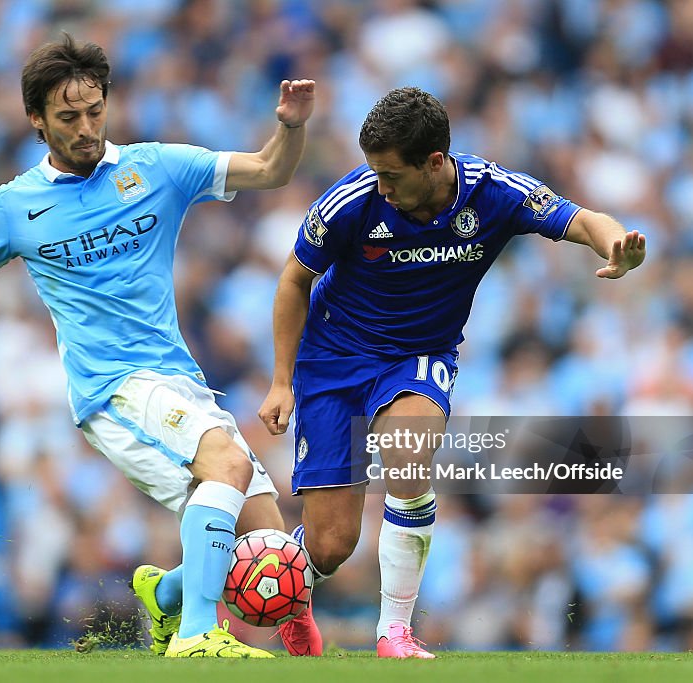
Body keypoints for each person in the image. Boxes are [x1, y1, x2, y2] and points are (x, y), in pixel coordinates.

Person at [0, 34, 321, 658]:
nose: (86, 128)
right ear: (37, 119)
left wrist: (290, 125)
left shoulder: (156, 167)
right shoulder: (14, 207)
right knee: (226, 465)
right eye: (67, 117)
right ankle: (196, 636)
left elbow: (271, 169)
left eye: (94, 111)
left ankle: (166, 598)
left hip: (179, 380)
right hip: (111, 390)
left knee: (265, 543)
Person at [258, 87, 647, 658]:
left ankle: (393, 631)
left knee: (409, 452)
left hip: (417, 357)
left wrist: (616, 243)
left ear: (435, 161)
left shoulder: (494, 193)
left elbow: (582, 219)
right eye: (375, 173)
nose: (381, 187)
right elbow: (294, 280)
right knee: (332, 545)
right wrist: (281, 380)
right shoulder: (350, 203)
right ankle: (289, 586)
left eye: (392, 175)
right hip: (333, 359)